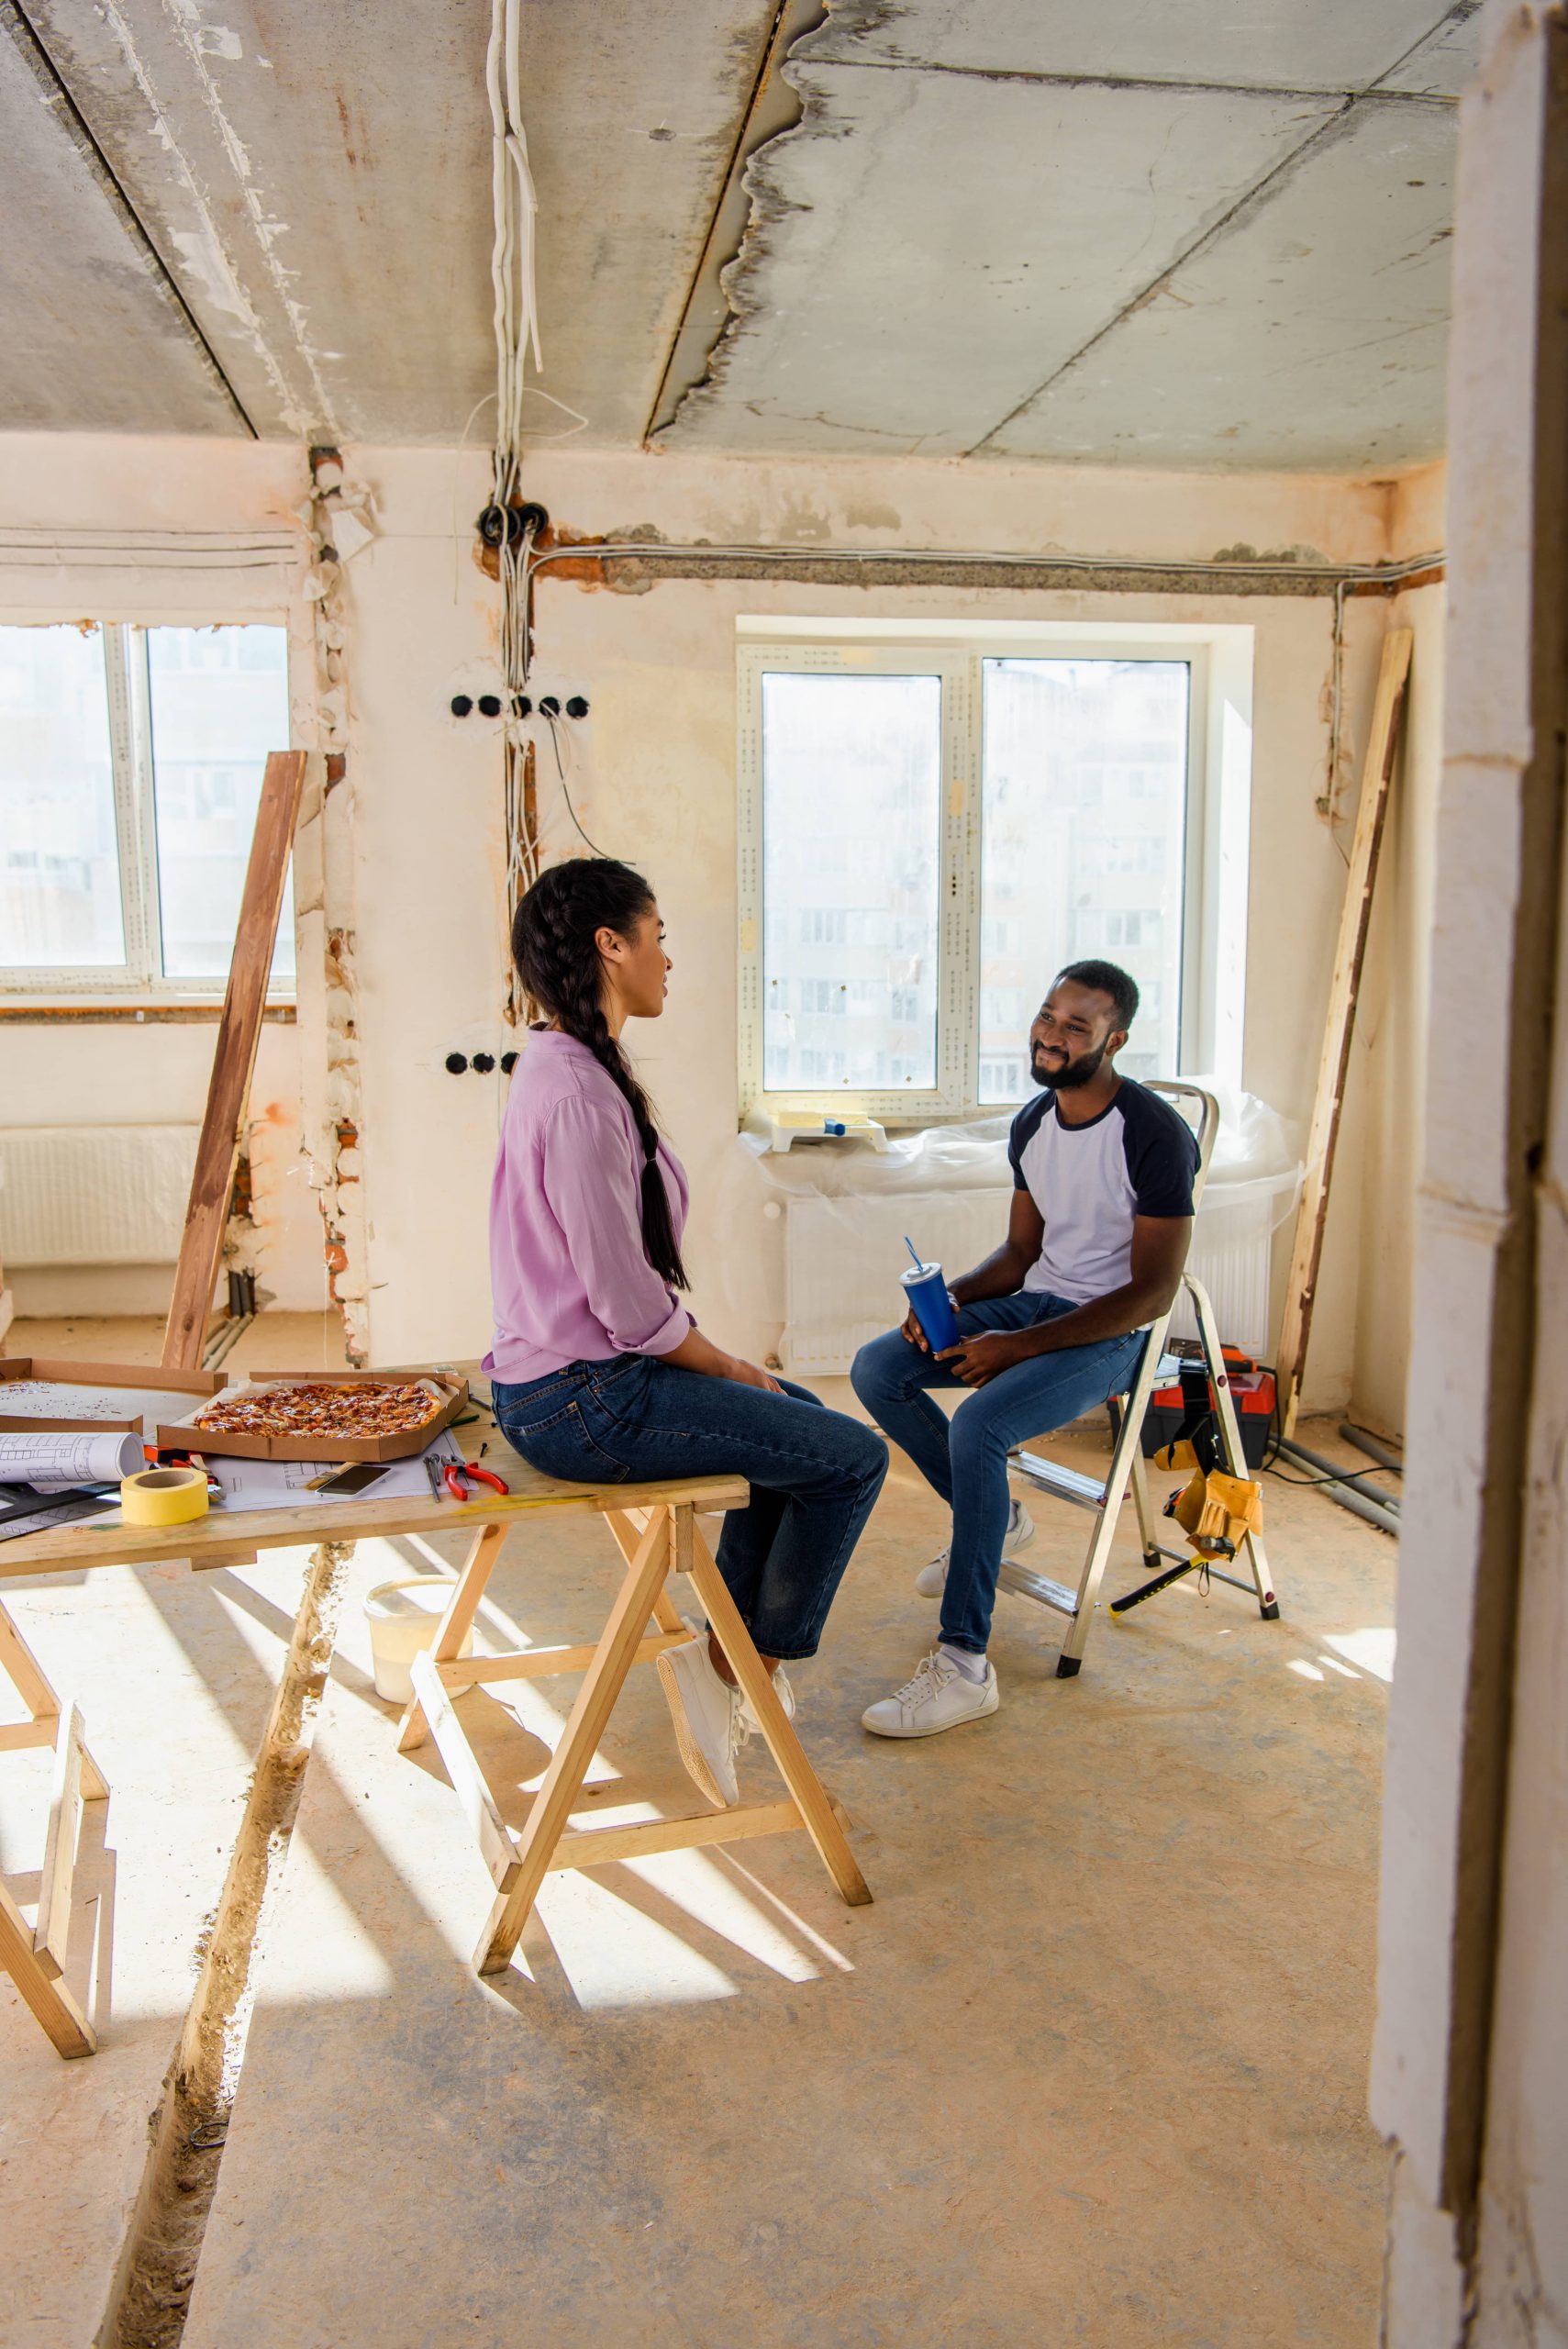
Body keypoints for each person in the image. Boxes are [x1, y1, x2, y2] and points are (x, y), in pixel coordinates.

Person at [485, 856, 888, 1809]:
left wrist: (727, 1366)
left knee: (788, 1420)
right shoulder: (580, 1091)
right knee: (851, 1459)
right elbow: (624, 1300)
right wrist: (717, 1357)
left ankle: (723, 1661)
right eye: (657, 933)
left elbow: (619, 1283)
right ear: (609, 945)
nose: (669, 956)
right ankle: (745, 1666)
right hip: (582, 1400)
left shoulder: (570, 1065)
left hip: (580, 1381)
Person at [851, 960, 1198, 1741]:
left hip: (1112, 1331)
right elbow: (1017, 1255)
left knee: (979, 1425)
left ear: (1115, 1041)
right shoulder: (1034, 1122)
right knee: (878, 1369)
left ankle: (964, 1664)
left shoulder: (1151, 1136)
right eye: (1047, 1014)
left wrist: (1016, 1348)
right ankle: (996, 1517)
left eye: (1077, 1025)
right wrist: (949, 1303)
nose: (1051, 1033)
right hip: (1040, 1302)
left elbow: (1150, 1295)